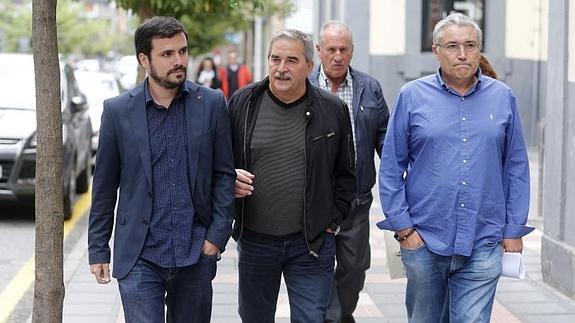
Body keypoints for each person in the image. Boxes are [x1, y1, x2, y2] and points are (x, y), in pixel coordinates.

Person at [378, 12, 533, 323]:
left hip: (484, 240)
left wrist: (513, 229)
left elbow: (516, 167)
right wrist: (404, 229)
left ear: (479, 50)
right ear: (436, 51)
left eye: (470, 45)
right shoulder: (412, 96)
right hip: (424, 238)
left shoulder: (503, 98)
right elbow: (391, 167)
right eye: (452, 46)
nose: (462, 54)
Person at [88, 16, 236, 323]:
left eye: (182, 51)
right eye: (167, 54)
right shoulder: (118, 112)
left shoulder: (210, 103)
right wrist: (98, 247)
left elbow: (224, 174)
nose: (178, 60)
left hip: (195, 252)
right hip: (140, 255)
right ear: (144, 59)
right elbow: (104, 184)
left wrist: (216, 237)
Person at [229, 29, 356, 323]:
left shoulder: (332, 109)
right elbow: (221, 164)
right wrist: (229, 179)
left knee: (311, 318)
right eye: (275, 59)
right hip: (255, 241)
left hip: (310, 244)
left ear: (309, 66)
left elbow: (346, 176)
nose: (281, 68)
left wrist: (331, 222)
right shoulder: (242, 103)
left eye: (291, 60)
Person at [308, 21, 389, 323]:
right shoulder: (304, 86)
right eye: (331, 49)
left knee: (355, 266)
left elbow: (385, 139)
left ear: (352, 51)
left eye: (344, 49)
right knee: (318, 263)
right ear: (319, 51)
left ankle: (341, 313)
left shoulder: (370, 87)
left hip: (356, 197)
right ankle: (332, 317)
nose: (338, 56)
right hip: (315, 197)